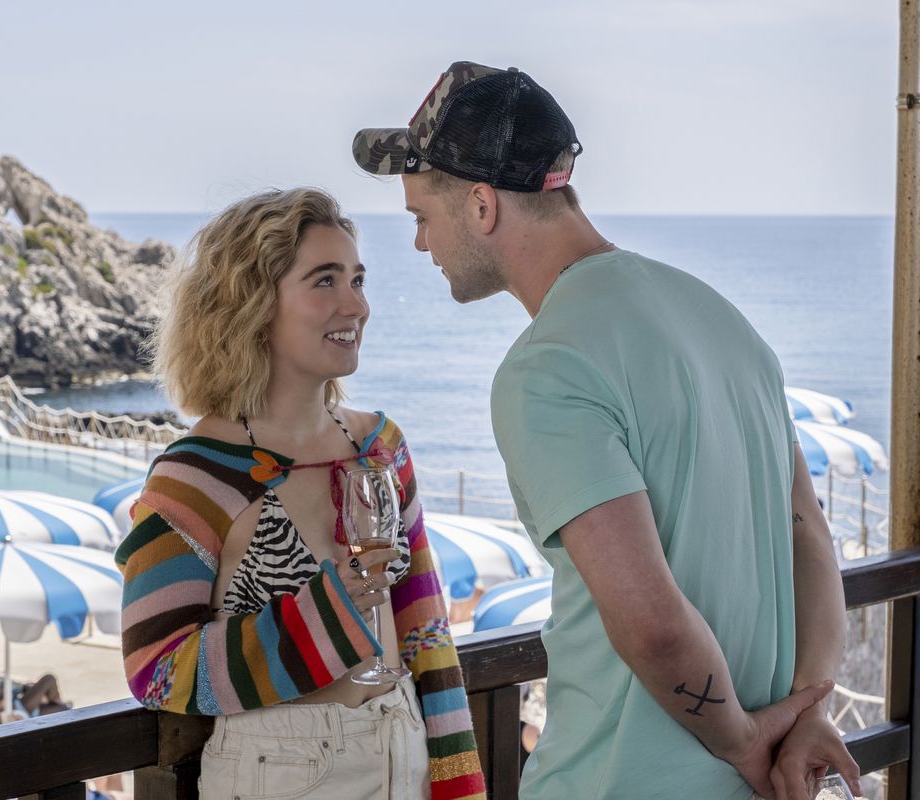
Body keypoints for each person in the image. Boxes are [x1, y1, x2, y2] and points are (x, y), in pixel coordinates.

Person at [353, 62, 863, 800]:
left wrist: (744, 742)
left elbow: (652, 623)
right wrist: (808, 709)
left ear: (482, 205)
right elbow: (808, 532)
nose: (421, 245)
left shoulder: (548, 368)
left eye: (421, 218)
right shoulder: (724, 321)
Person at [115, 188, 485, 800]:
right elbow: (155, 668)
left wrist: (459, 781)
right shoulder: (198, 475)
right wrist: (325, 617)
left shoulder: (381, 447)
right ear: (253, 305)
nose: (357, 305)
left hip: (406, 747)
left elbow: (424, 628)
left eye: (358, 279)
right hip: (280, 772)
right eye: (325, 281)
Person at [0, 641, 69, 716]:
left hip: (9, 704)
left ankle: (56, 704)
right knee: (49, 680)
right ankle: (57, 703)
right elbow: (5, 687)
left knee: (59, 706)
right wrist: (24, 686)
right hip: (12, 708)